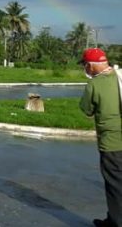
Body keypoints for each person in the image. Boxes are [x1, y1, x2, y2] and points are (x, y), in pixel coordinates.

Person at [79, 48, 122, 227]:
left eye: (85, 66)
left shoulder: (94, 85)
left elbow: (86, 109)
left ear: (90, 66)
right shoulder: (120, 76)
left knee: (115, 184)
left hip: (112, 142)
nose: (86, 69)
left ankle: (115, 222)